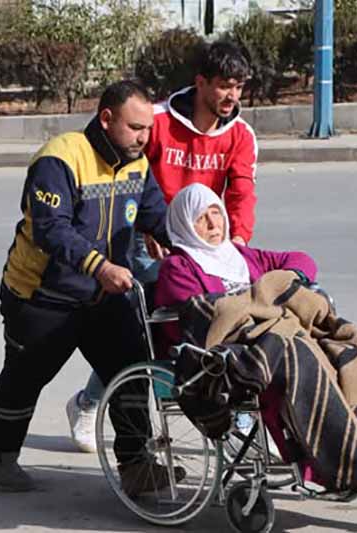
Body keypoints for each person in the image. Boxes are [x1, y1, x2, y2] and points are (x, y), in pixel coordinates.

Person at [154, 183, 357, 516]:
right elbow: (206, 318)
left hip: (280, 338)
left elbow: (300, 261)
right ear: (185, 225)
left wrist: (278, 287)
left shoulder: (242, 256)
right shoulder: (179, 267)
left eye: (216, 213)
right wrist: (264, 299)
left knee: (347, 349)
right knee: (299, 354)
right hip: (236, 359)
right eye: (201, 218)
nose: (213, 224)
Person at [0, 80, 181, 495]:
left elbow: (157, 216)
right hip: (42, 295)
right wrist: (100, 266)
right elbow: (52, 230)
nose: (143, 137)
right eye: (135, 127)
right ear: (106, 119)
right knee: (24, 379)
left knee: (130, 374)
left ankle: (137, 466)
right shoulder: (60, 159)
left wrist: (197, 246)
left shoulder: (137, 163)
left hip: (104, 296)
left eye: (147, 129)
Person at [66, 40, 259, 452]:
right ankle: (89, 402)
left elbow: (241, 193)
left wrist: (237, 243)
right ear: (201, 82)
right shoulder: (156, 120)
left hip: (204, 244)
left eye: (239, 87)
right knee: (144, 331)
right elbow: (127, 170)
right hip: (148, 242)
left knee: (222, 323)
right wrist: (149, 229)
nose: (232, 96)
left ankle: (239, 418)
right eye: (224, 85)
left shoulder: (241, 135)